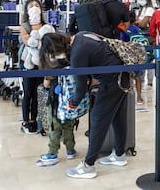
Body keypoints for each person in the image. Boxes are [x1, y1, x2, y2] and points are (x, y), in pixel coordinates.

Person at [39, 31, 130, 179]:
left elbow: (80, 88)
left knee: (97, 120)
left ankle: (88, 166)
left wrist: (73, 103)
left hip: (111, 82)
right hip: (122, 78)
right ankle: (119, 155)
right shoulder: (81, 36)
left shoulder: (77, 53)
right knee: (118, 118)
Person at [19, 0, 54, 134]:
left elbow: (49, 41)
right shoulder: (25, 25)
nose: (34, 8)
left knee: (37, 92)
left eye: (36, 6)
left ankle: (34, 119)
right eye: (31, 6)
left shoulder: (46, 26)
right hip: (28, 63)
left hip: (42, 63)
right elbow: (27, 41)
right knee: (28, 92)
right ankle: (25, 121)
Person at [36, 73, 77, 166]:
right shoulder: (70, 65)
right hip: (68, 103)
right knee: (68, 127)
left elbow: (46, 84)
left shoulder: (52, 68)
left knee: (54, 128)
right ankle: (70, 150)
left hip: (55, 103)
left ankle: (52, 153)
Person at [122, 10, 151, 105]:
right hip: (140, 56)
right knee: (138, 77)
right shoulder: (138, 29)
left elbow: (123, 43)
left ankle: (127, 96)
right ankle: (139, 98)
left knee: (127, 76)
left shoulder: (125, 30)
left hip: (130, 56)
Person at [135, 0, 155, 90]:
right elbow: (137, 21)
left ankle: (150, 81)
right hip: (141, 36)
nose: (141, 0)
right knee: (141, 58)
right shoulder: (141, 9)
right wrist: (139, 21)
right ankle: (141, 79)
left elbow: (143, 24)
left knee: (149, 59)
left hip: (148, 37)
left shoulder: (150, 9)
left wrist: (139, 22)